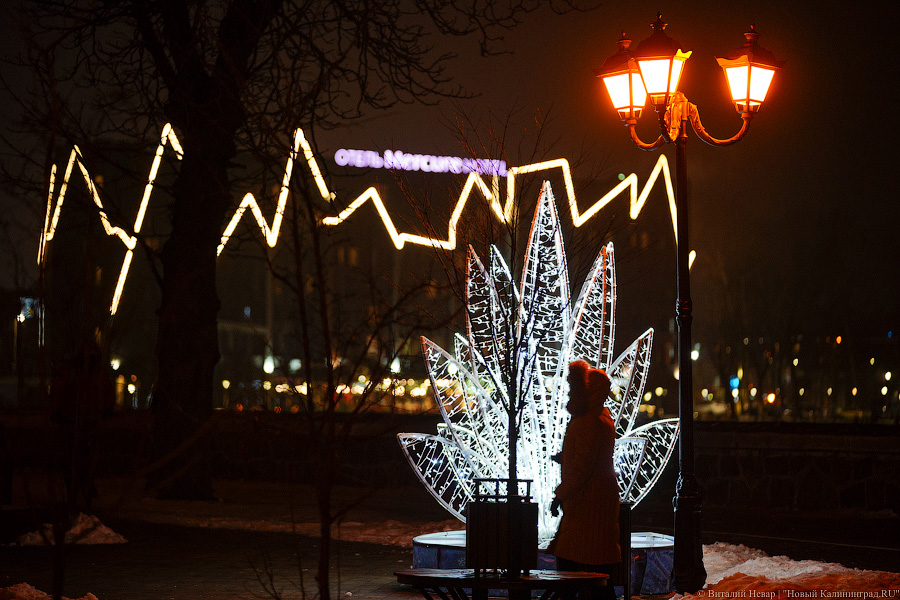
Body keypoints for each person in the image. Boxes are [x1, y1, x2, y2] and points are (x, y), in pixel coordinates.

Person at [548, 362, 621, 599]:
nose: (572, 393)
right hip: (596, 502)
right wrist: (565, 457)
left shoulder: (588, 422)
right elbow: (590, 457)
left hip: (586, 505)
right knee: (597, 572)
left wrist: (560, 494)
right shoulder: (601, 419)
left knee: (572, 567)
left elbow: (582, 467)